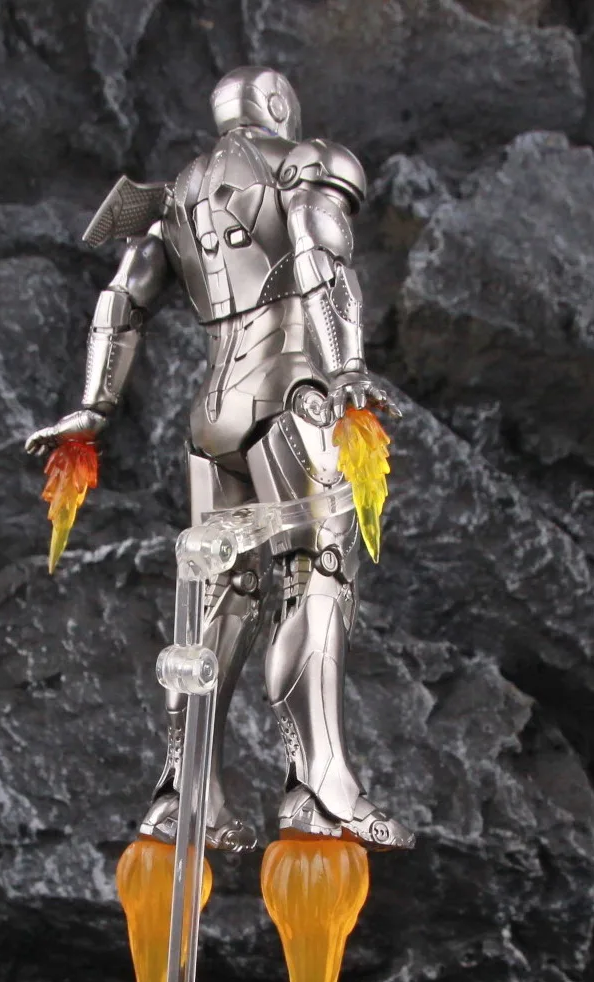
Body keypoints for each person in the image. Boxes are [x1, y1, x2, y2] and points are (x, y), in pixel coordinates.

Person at [26, 66, 413, 853]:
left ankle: (184, 794)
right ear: (276, 105)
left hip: (210, 415)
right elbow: (320, 255)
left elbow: (120, 301)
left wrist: (94, 407)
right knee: (316, 571)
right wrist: (346, 368)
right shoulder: (306, 161)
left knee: (223, 593)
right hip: (291, 394)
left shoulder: (176, 194)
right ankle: (321, 785)